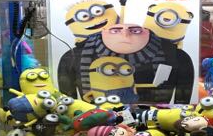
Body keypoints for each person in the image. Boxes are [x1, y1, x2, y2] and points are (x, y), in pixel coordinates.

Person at [57, 24, 194, 104]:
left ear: (147, 31)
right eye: (116, 30)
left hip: (156, 122)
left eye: (135, 30)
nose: (125, 35)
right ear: (103, 31)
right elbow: (69, 103)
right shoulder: (73, 57)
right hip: (96, 123)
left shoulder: (176, 56)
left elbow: (182, 103)